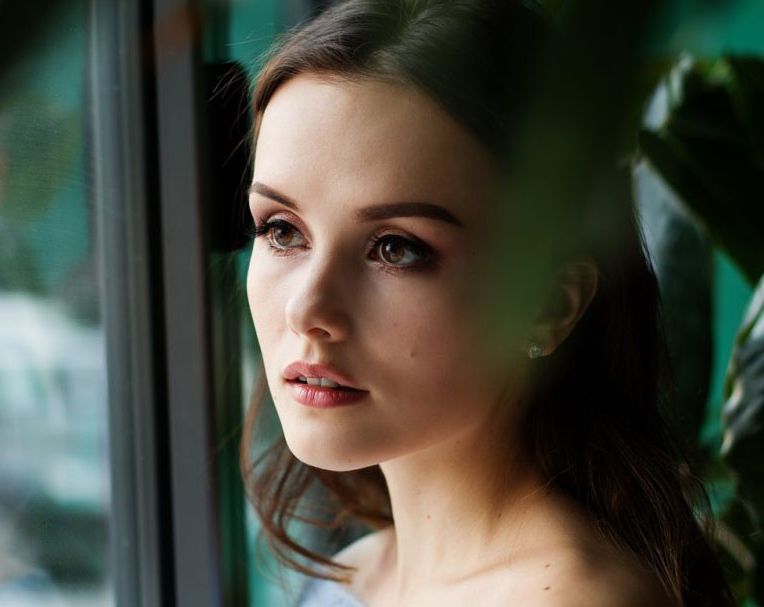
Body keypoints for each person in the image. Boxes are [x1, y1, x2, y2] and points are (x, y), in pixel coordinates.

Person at [240, 1, 735, 605]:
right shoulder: (355, 575)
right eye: (282, 230)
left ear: (549, 305)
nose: (306, 309)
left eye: (395, 248)